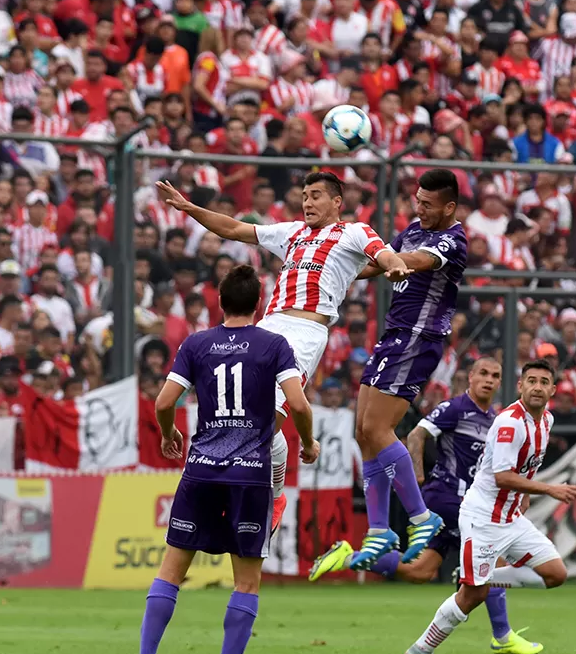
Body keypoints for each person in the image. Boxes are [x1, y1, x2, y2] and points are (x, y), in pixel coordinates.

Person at [153, 171, 408, 535]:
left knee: (267, 419)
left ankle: (271, 494)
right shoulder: (291, 233)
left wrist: (395, 264)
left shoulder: (352, 232)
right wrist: (189, 207)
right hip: (267, 326)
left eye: (317, 195)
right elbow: (234, 229)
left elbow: (381, 253)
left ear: (337, 202)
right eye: (304, 194)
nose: (307, 202)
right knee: (240, 413)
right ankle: (261, 485)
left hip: (304, 332)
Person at [122, 264, 317, 654]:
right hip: (251, 475)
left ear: (220, 301)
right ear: (260, 303)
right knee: (246, 582)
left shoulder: (197, 343)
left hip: (202, 469)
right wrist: (307, 441)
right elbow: (299, 405)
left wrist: (170, 433)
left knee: (171, 571)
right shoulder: (273, 344)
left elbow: (164, 401)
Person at [308, 357, 544, 654]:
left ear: (501, 383)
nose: (488, 380)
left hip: (465, 503)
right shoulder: (456, 408)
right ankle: (502, 635)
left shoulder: (496, 419)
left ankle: (348, 557)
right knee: (493, 560)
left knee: (420, 571)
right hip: (448, 498)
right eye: (482, 373)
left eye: (495, 376)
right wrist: (417, 477)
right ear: (470, 378)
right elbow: (417, 434)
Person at [309, 167, 466, 575]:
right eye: (418, 200)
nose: (420, 208)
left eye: (429, 205)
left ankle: (421, 517)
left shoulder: (454, 239)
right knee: (362, 431)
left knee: (379, 431)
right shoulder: (413, 229)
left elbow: (415, 261)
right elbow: (379, 264)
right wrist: (336, 271)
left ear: (450, 206)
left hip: (418, 338)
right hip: (395, 336)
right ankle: (379, 530)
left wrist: (394, 260)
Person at [403, 360, 576, 654]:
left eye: (543, 382)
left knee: (556, 575)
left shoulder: (546, 420)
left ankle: (482, 577)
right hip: (482, 517)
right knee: (472, 597)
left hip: (511, 518)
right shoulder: (509, 421)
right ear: (520, 386)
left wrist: (525, 494)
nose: (537, 387)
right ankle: (421, 650)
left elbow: (527, 464)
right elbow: (502, 477)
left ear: (552, 389)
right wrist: (549, 489)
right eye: (531, 381)